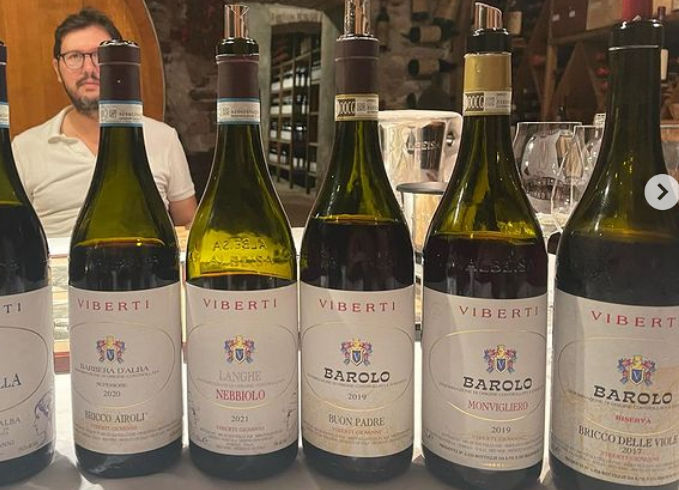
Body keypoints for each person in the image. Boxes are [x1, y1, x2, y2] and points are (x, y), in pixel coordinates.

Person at [12, 8, 197, 238]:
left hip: (144, 259)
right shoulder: (24, 148)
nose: (89, 69)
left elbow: (188, 226)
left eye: (100, 56)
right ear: (57, 69)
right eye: (74, 57)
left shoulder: (163, 138)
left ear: (120, 65)